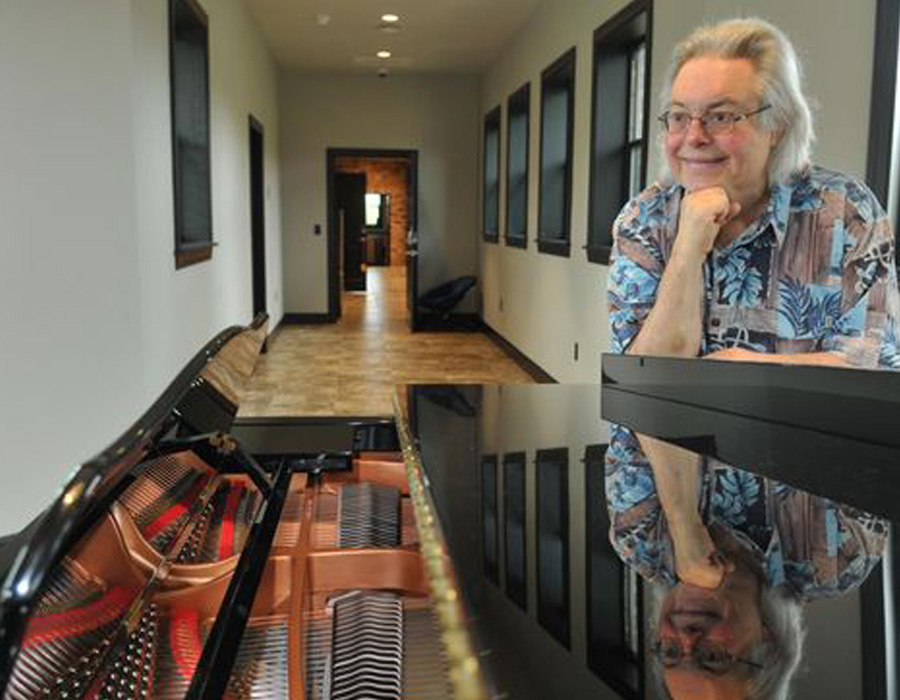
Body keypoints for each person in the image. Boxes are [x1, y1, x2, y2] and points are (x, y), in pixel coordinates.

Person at [604, 16, 895, 699]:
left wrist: (684, 534)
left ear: (777, 124)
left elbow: (875, 369)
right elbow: (640, 382)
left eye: (721, 116)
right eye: (679, 116)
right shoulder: (648, 220)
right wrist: (688, 244)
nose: (692, 137)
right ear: (762, 643)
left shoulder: (842, 213)